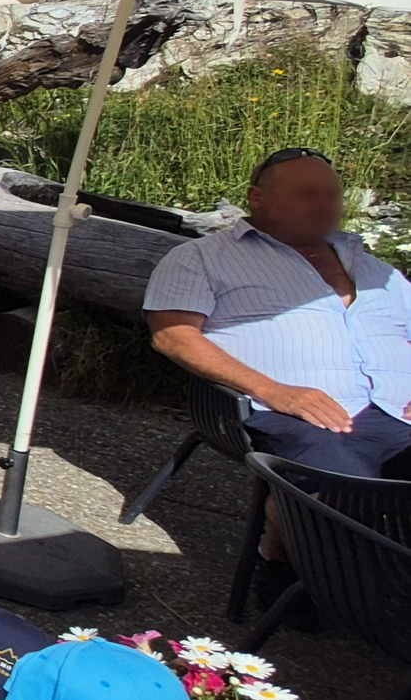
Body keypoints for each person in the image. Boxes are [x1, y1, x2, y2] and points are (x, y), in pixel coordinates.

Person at [145, 147, 411, 480]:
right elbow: (172, 335)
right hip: (292, 415)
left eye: (332, 195)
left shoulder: (378, 271)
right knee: (344, 490)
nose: (324, 206)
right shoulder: (203, 258)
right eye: (307, 195)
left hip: (397, 413)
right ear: (257, 198)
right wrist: (274, 391)